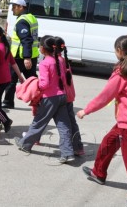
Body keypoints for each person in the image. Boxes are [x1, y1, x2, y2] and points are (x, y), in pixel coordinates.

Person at [76, 35, 127, 207]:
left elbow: (104, 97)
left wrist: (85, 110)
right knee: (108, 142)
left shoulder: (122, 72)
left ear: (119, 50)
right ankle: (98, 173)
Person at [14, 35, 74, 164]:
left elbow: (44, 84)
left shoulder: (45, 62)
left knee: (38, 122)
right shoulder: (59, 60)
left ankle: (25, 144)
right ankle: (67, 153)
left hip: (50, 98)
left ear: (42, 48)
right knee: (64, 126)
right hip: (62, 96)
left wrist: (36, 84)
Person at [2, 0, 39, 109]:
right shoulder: (31, 17)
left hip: (21, 56)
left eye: (14, 7)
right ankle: (39, 99)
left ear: (21, 7)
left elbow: (26, 39)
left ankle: (8, 102)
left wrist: (26, 57)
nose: (12, 9)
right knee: (32, 79)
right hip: (31, 55)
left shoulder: (22, 21)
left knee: (11, 80)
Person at [0, 26, 24, 133]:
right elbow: (13, 63)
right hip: (6, 78)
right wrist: (20, 76)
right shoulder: (5, 47)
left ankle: (5, 120)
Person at [56, 37, 85, 156]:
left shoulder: (57, 61)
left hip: (61, 97)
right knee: (71, 122)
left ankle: (74, 147)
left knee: (64, 123)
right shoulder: (64, 60)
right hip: (69, 96)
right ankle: (78, 147)